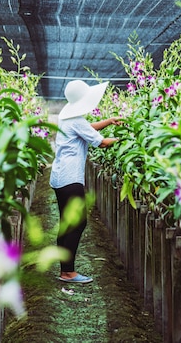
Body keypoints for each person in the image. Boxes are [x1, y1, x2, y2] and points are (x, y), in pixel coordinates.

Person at [50, 79, 121, 284]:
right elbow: (101, 142)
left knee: (67, 223)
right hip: (71, 178)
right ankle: (68, 272)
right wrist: (129, 139)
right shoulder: (75, 120)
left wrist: (108, 121)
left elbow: (86, 128)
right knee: (78, 223)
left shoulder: (68, 118)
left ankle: (65, 270)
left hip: (59, 176)